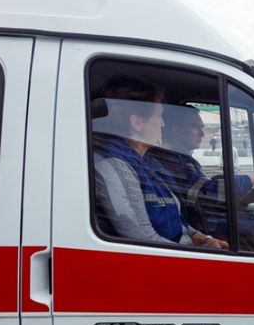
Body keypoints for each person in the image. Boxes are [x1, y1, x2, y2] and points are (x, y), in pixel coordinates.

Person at [92, 75, 228, 249]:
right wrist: (200, 252)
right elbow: (142, 239)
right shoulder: (114, 167)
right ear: (137, 123)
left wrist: (201, 238)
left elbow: (175, 218)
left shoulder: (148, 163)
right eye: (159, 116)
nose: (163, 124)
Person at [161, 105, 254, 230]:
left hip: (205, 219)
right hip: (201, 226)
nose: (202, 134)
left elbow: (203, 188)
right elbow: (205, 193)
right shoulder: (172, 160)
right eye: (195, 127)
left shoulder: (182, 158)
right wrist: (252, 179)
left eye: (202, 128)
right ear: (177, 130)